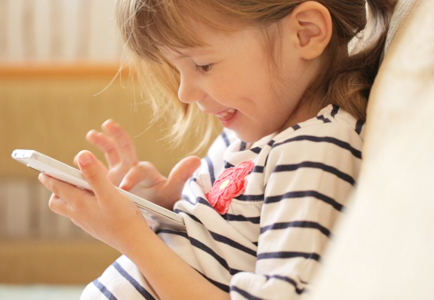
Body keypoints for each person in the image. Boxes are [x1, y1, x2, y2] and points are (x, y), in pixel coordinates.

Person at [37, 0, 395, 299]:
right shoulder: (254, 133)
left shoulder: (314, 153)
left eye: (203, 65)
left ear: (306, 33)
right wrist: (161, 206)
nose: (184, 93)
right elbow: (220, 251)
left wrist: (129, 236)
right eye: (176, 69)